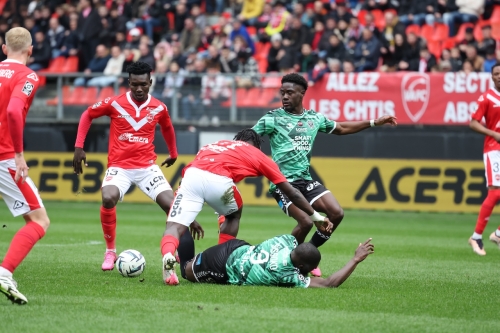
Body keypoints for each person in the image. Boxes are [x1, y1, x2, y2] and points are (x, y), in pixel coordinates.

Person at [245, 73, 397, 277]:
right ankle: (284, 263)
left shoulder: (314, 119)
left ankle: (308, 255)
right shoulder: (273, 118)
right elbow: (248, 138)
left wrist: (373, 123)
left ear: (302, 93)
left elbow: (341, 128)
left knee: (337, 213)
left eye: (290, 92)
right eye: (282, 93)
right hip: (283, 185)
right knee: (306, 222)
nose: (285, 97)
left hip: (305, 181)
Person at [159, 129, 332, 286]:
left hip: (191, 176)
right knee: (233, 215)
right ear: (257, 146)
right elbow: (292, 194)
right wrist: (316, 217)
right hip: (219, 181)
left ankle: (168, 255)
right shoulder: (258, 155)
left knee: (174, 226)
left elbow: (200, 175)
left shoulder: (215, 144)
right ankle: (223, 262)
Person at [72, 62, 179, 270]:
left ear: (150, 82)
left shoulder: (159, 107)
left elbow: (167, 126)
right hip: (119, 166)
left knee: (173, 207)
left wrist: (173, 153)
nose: (139, 89)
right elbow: (87, 114)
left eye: (143, 85)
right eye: (134, 85)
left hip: (147, 167)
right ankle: (110, 252)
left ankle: (172, 253)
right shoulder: (114, 103)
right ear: (128, 82)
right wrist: (78, 146)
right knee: (108, 197)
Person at [0, 27, 50, 305]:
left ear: (4, 48)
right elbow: (12, 111)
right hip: (4, 156)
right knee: (40, 220)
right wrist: (19, 154)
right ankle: (4, 274)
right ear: (30, 50)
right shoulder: (28, 76)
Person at [177, 231, 374, 288]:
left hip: (237, 247)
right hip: (223, 265)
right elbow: (329, 284)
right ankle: (180, 228)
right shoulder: (287, 274)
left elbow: (300, 228)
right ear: (301, 267)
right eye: (309, 269)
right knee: (186, 271)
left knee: (194, 261)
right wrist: (355, 260)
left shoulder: (286, 240)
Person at [468, 62, 500, 256]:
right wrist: (493, 134)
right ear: (492, 77)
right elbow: (473, 123)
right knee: (495, 194)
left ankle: (497, 234)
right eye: (496, 73)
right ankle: (476, 236)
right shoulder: (486, 97)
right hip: (493, 149)